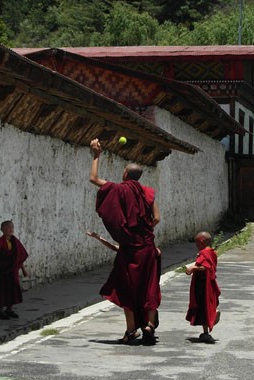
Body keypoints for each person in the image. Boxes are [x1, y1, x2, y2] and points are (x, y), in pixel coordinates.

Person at [89, 138, 161, 345]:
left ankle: (131, 330)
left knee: (126, 287)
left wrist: (96, 155)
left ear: (126, 174)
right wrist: (144, 232)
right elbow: (156, 218)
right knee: (149, 286)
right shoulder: (148, 193)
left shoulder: (119, 189)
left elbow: (94, 179)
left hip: (129, 249)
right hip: (147, 247)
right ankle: (148, 325)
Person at [185, 231, 221, 344]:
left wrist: (193, 268)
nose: (196, 246)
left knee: (205, 307)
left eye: (197, 243)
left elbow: (207, 268)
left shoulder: (206, 252)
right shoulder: (210, 252)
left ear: (201, 242)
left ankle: (213, 316)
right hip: (202, 285)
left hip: (204, 287)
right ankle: (205, 332)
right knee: (202, 308)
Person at [0, 220, 29, 320]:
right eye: (7, 227)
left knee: (13, 289)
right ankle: (1, 311)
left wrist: (23, 270)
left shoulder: (15, 241)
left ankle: (9, 309)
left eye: (11, 227)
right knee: (1, 290)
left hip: (12, 270)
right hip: (1, 270)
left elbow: (18, 257)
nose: (10, 229)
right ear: (2, 229)